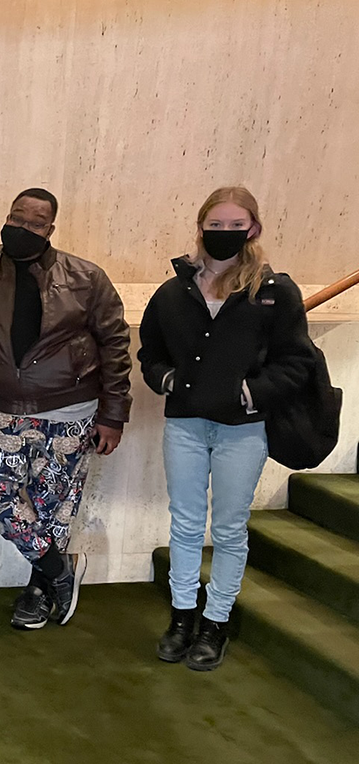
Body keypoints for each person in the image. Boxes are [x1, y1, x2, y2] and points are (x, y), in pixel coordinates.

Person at [0, 188, 131, 631]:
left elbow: (116, 345)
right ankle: (60, 570)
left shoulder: (85, 278)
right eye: (16, 217)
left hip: (71, 410)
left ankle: (39, 591)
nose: (22, 227)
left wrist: (114, 414)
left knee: (51, 508)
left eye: (35, 223)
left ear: (50, 229)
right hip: (4, 408)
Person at [139, 186, 313, 671]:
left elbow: (296, 361)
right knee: (186, 524)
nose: (224, 234)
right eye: (215, 226)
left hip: (243, 429)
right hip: (187, 425)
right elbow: (150, 352)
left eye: (236, 226)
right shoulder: (173, 292)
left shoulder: (274, 292)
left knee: (230, 528)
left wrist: (251, 392)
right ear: (201, 227)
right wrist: (166, 379)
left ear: (252, 229)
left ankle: (216, 622)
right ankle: (181, 617)